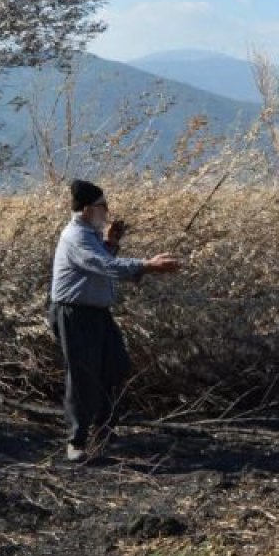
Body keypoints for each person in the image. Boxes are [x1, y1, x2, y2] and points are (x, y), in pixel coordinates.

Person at [50, 179, 182, 462]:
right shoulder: (76, 236)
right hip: (74, 313)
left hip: (96, 314)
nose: (106, 211)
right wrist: (148, 266)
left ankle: (103, 429)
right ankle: (76, 441)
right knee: (82, 375)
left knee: (114, 366)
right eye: (102, 206)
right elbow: (105, 266)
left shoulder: (91, 234)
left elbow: (100, 262)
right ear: (87, 210)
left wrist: (111, 241)